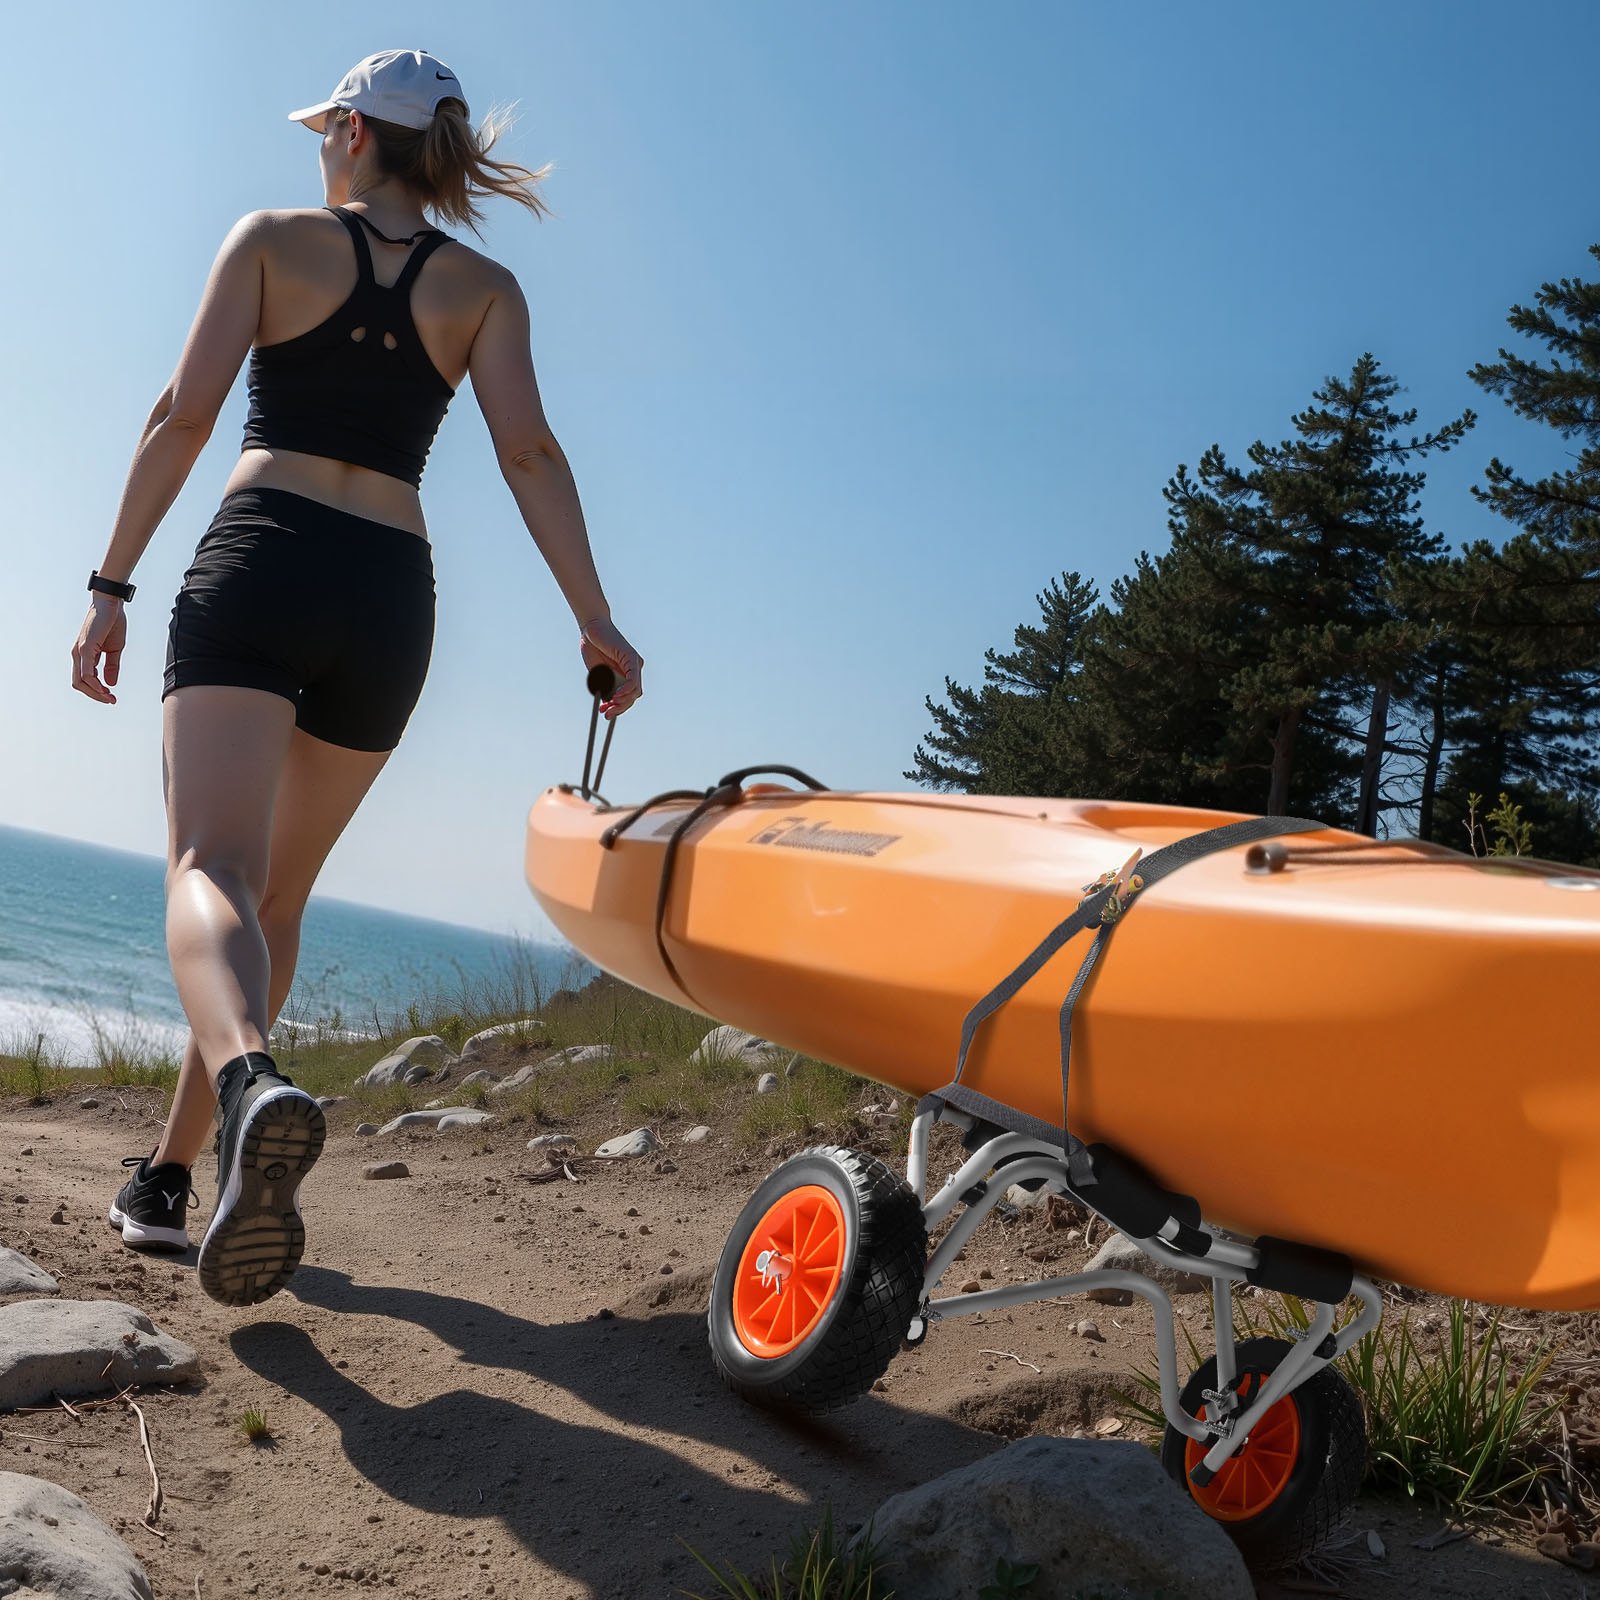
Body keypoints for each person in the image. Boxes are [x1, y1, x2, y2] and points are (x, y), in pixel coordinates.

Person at [71, 48, 643, 1307]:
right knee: (272, 902)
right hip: (388, 594)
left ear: (347, 132)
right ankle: (168, 1179)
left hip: (264, 557)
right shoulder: (485, 289)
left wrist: (111, 582)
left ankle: (247, 1087)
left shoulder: (272, 240)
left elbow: (181, 414)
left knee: (209, 870)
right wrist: (595, 620)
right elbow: (531, 453)